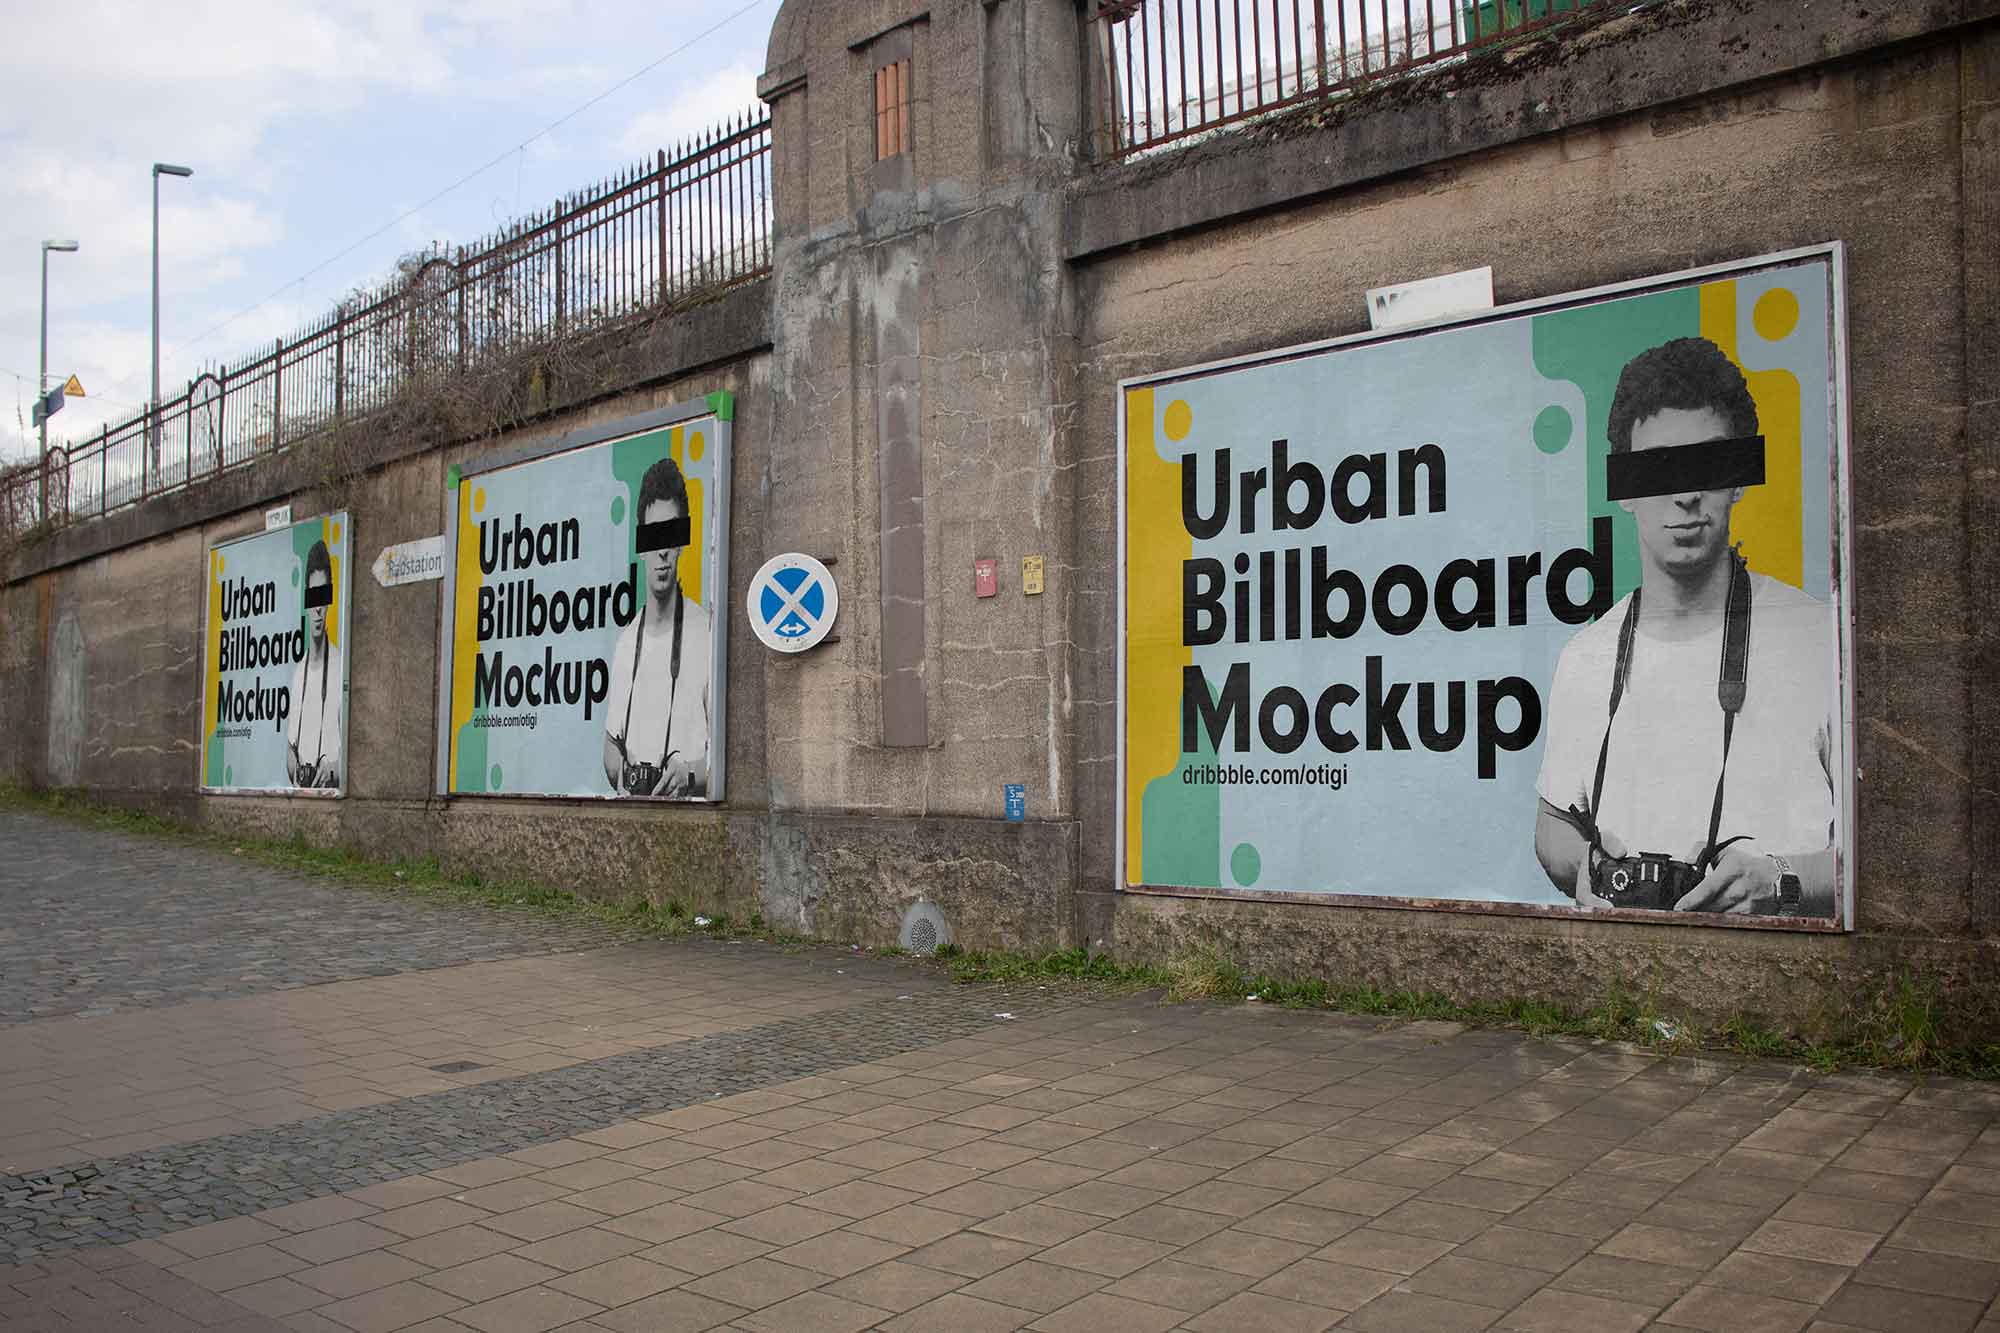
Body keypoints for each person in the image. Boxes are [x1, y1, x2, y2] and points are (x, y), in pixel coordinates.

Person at [1534, 336, 1838, 916]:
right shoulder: (1585, 656)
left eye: (1709, 463)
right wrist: (1588, 868)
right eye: (1660, 467)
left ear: (1738, 480)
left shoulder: (1821, 641)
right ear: (1626, 492)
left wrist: (1781, 881)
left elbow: (1894, 862)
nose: (1686, 494)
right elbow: (1551, 827)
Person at [603, 456, 712, 798]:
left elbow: (735, 759)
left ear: (681, 545)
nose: (662, 551)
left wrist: (689, 775)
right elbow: (610, 745)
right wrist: (622, 775)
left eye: (671, 535)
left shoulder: (707, 634)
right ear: (641, 548)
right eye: (653, 537)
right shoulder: (626, 642)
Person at [285, 540, 344, 790]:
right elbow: (290, 748)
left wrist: (332, 771)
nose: (318, 609)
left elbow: (356, 752)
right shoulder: (299, 672)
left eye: (323, 596)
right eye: (313, 597)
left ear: (329, 601)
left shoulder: (341, 667)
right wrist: (296, 772)